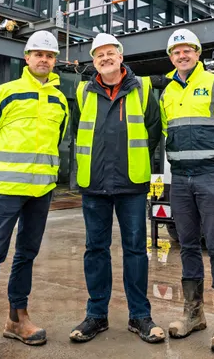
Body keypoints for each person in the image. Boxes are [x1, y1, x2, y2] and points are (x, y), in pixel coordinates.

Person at [0, 30, 68, 359]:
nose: (44, 59)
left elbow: (58, 140)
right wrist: (4, 170)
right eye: (38, 53)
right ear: (27, 58)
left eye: (49, 55)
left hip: (42, 192)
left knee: (26, 255)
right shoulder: (4, 93)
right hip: (7, 190)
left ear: (55, 61)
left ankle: (17, 319)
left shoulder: (60, 100)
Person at [69, 33, 166, 345]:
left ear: (121, 57)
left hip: (132, 183)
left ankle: (140, 315)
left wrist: (134, 162)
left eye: (110, 53)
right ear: (93, 61)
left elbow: (154, 131)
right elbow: (77, 131)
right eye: (99, 55)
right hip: (94, 184)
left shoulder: (142, 89)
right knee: (95, 250)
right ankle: (96, 315)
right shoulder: (84, 92)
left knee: (136, 250)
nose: (105, 58)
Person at [161, 28, 214, 353]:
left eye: (187, 50)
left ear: (197, 54)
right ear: (171, 58)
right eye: (176, 52)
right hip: (180, 178)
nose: (182, 56)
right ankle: (193, 313)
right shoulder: (167, 91)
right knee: (186, 245)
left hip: (211, 176)